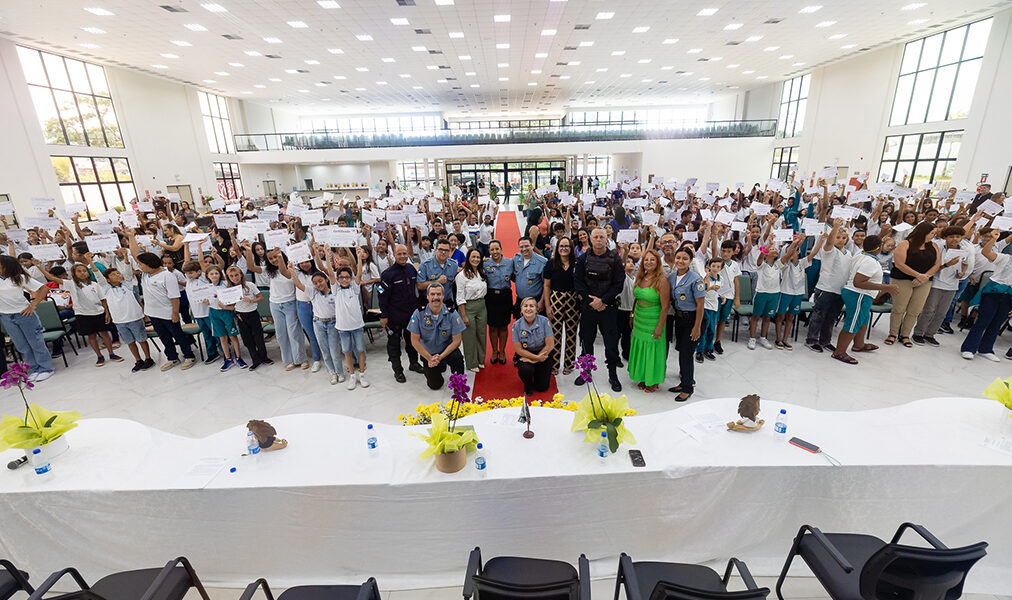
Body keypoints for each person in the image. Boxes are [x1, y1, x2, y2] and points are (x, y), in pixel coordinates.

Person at [127, 231, 196, 371]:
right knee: (164, 338)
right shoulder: (146, 274)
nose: (139, 266)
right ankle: (172, 358)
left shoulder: (167, 276)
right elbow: (136, 255)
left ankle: (189, 356)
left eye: (142, 264)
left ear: (149, 264)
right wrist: (131, 237)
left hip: (168, 313)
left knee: (178, 335)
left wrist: (175, 313)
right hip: (153, 313)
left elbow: (174, 297)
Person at [832, 235, 898, 364]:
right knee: (853, 323)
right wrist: (886, 287)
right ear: (878, 248)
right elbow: (858, 282)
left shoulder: (860, 253)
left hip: (861, 294)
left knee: (863, 320)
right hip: (858, 294)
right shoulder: (870, 262)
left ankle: (859, 344)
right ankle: (839, 352)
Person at [574, 227, 625, 392]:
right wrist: (591, 301)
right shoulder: (583, 259)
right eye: (595, 237)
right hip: (588, 308)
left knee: (611, 344)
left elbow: (619, 283)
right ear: (590, 239)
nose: (598, 240)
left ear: (606, 239)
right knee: (586, 342)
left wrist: (603, 300)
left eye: (601, 237)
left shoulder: (615, 259)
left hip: (608, 308)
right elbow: (578, 282)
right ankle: (586, 372)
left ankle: (613, 375)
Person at [911, 226, 973, 346]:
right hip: (936, 283)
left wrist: (962, 273)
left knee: (942, 313)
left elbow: (965, 263)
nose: (955, 239)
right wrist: (947, 264)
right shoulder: (938, 248)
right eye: (951, 237)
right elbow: (932, 267)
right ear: (945, 237)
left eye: (958, 236)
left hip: (952, 285)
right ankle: (918, 333)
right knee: (928, 310)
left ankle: (930, 334)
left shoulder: (964, 249)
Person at [960, 229, 1012, 361]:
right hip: (993, 292)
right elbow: (986, 252)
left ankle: (986, 349)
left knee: (997, 323)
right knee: (983, 321)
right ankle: (969, 348)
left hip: (1009, 296)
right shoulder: (1005, 258)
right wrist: (993, 239)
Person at [886, 221, 940, 348]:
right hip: (902, 279)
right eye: (932, 233)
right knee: (899, 308)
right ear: (923, 233)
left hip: (924, 281)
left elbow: (937, 264)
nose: (933, 236)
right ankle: (893, 333)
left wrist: (925, 277)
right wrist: (918, 275)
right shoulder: (905, 243)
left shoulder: (934, 246)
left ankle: (905, 335)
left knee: (915, 310)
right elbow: (899, 264)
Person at [0, 255, 53, 381]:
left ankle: (46, 368)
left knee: (35, 342)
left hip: (24, 314)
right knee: (22, 345)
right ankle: (34, 368)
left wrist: (33, 305)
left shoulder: (20, 278)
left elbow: (44, 288)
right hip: (6, 316)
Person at [255, 248, 307, 370]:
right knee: (281, 334)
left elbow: (285, 273)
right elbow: (252, 267)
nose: (274, 260)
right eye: (271, 258)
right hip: (275, 304)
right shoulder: (269, 271)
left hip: (290, 303)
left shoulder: (292, 268)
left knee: (294, 332)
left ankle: (301, 358)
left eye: (276, 257)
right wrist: (247, 250)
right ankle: (288, 360)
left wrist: (280, 257)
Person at [94, 265, 153, 372]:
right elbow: (98, 276)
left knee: (141, 340)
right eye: (113, 274)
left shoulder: (128, 285)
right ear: (107, 279)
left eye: (118, 273)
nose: (117, 275)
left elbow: (127, 272)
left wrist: (126, 257)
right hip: (120, 321)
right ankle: (138, 360)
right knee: (130, 342)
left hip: (134, 318)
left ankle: (148, 358)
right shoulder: (106, 289)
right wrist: (89, 261)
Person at [804, 218, 851, 353]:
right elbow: (829, 242)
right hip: (826, 288)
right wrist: (835, 228)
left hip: (839, 290)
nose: (840, 240)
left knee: (831, 318)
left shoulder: (848, 253)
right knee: (819, 315)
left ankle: (825, 341)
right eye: (838, 237)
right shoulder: (829, 250)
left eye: (843, 238)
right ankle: (811, 340)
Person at [378, 244, 422, 383]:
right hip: (394, 316)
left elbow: (418, 288)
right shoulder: (387, 274)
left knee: (412, 342)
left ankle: (414, 363)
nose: (402, 256)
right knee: (394, 345)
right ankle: (398, 371)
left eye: (404, 253)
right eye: (399, 254)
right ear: (394, 255)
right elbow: (381, 295)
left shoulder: (411, 269)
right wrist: (383, 315)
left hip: (411, 315)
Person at [408, 283, 466, 389]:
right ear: (427, 296)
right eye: (432, 294)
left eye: (439, 294)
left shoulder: (452, 313)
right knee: (435, 385)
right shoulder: (418, 313)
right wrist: (430, 358)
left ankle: (459, 385)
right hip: (429, 353)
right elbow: (414, 341)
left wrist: (441, 357)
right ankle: (439, 367)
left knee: (457, 358)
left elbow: (457, 341)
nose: (436, 297)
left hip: (446, 350)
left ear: (443, 296)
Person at [628, 249, 670, 392]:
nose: (649, 262)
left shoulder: (662, 280)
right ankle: (643, 375)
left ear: (658, 262)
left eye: (652, 259)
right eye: (646, 260)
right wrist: (632, 315)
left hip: (654, 319)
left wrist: (659, 327)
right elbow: (636, 298)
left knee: (653, 348)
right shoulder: (640, 277)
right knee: (641, 347)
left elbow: (665, 307)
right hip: (640, 318)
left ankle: (653, 380)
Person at [667, 246, 705, 401]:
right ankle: (684, 383)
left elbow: (701, 305)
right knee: (682, 351)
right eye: (678, 258)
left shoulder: (696, 279)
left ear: (690, 261)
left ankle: (688, 388)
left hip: (694, 319)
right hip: (680, 318)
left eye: (684, 258)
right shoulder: (671, 277)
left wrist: (697, 327)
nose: (680, 261)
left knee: (687, 354)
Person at [543, 236, 579, 375]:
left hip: (572, 300)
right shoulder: (551, 264)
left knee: (571, 333)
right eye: (561, 246)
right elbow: (546, 286)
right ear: (557, 248)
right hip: (555, 299)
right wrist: (547, 306)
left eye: (566, 246)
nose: (564, 249)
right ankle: (554, 364)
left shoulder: (577, 264)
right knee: (555, 334)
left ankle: (569, 364)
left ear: (571, 248)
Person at [225, 265, 270, 370]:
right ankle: (255, 359)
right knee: (247, 339)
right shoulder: (229, 290)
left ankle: (264, 357)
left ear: (241, 275)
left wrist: (251, 300)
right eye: (231, 276)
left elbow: (260, 297)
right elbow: (230, 305)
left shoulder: (250, 285)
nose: (235, 278)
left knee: (258, 337)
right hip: (241, 316)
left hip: (253, 314)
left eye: (236, 275)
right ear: (228, 278)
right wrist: (225, 305)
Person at [512, 296, 555, 396]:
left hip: (543, 352)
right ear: (521, 309)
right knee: (525, 369)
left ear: (536, 309)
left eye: (532, 306)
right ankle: (528, 384)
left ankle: (537, 373)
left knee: (542, 388)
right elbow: (518, 349)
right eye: (525, 306)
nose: (528, 309)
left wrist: (536, 359)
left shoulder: (544, 321)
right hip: (526, 354)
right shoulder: (516, 326)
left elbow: (550, 345)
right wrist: (535, 358)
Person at [455, 248, 488, 371]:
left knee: (481, 333)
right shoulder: (462, 275)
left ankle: (480, 359)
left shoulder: (481, 272)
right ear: (468, 258)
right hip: (468, 307)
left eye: (478, 257)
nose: (475, 259)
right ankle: (471, 362)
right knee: (469, 336)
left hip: (481, 306)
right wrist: (463, 315)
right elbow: (459, 297)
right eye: (473, 257)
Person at [483, 240, 514, 365]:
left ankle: (502, 351)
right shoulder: (485, 264)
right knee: (493, 326)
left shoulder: (510, 263)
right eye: (492, 249)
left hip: (505, 296)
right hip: (491, 297)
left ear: (501, 249)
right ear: (489, 251)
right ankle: (494, 351)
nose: (495, 252)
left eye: (497, 249)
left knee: (504, 325)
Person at [292, 257, 324, 372]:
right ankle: (316, 359)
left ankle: (328, 355)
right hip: (303, 306)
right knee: (311, 333)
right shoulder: (297, 273)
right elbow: (285, 271)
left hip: (317, 304)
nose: (305, 264)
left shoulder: (318, 273)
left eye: (307, 261)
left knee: (321, 332)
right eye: (302, 262)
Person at [511, 236, 548, 317]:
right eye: (521, 247)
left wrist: (542, 302)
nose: (524, 249)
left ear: (532, 246)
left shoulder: (542, 262)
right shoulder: (516, 259)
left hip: (535, 302)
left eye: (527, 246)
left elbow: (547, 285)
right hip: (520, 301)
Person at [696, 258, 724, 362]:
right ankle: (699, 350)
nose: (715, 269)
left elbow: (719, 291)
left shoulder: (721, 278)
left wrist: (722, 296)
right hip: (705, 306)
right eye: (713, 266)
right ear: (709, 267)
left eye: (718, 267)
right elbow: (703, 289)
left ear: (721, 268)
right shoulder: (705, 277)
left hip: (714, 306)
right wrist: (711, 288)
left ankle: (708, 349)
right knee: (703, 330)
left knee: (712, 330)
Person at [417, 239, 459, 306]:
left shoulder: (453, 265)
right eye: (440, 249)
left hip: (446, 302)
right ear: (436, 250)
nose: (443, 252)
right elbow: (419, 285)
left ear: (449, 251)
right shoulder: (425, 265)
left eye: (446, 250)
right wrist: (437, 281)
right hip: (429, 303)